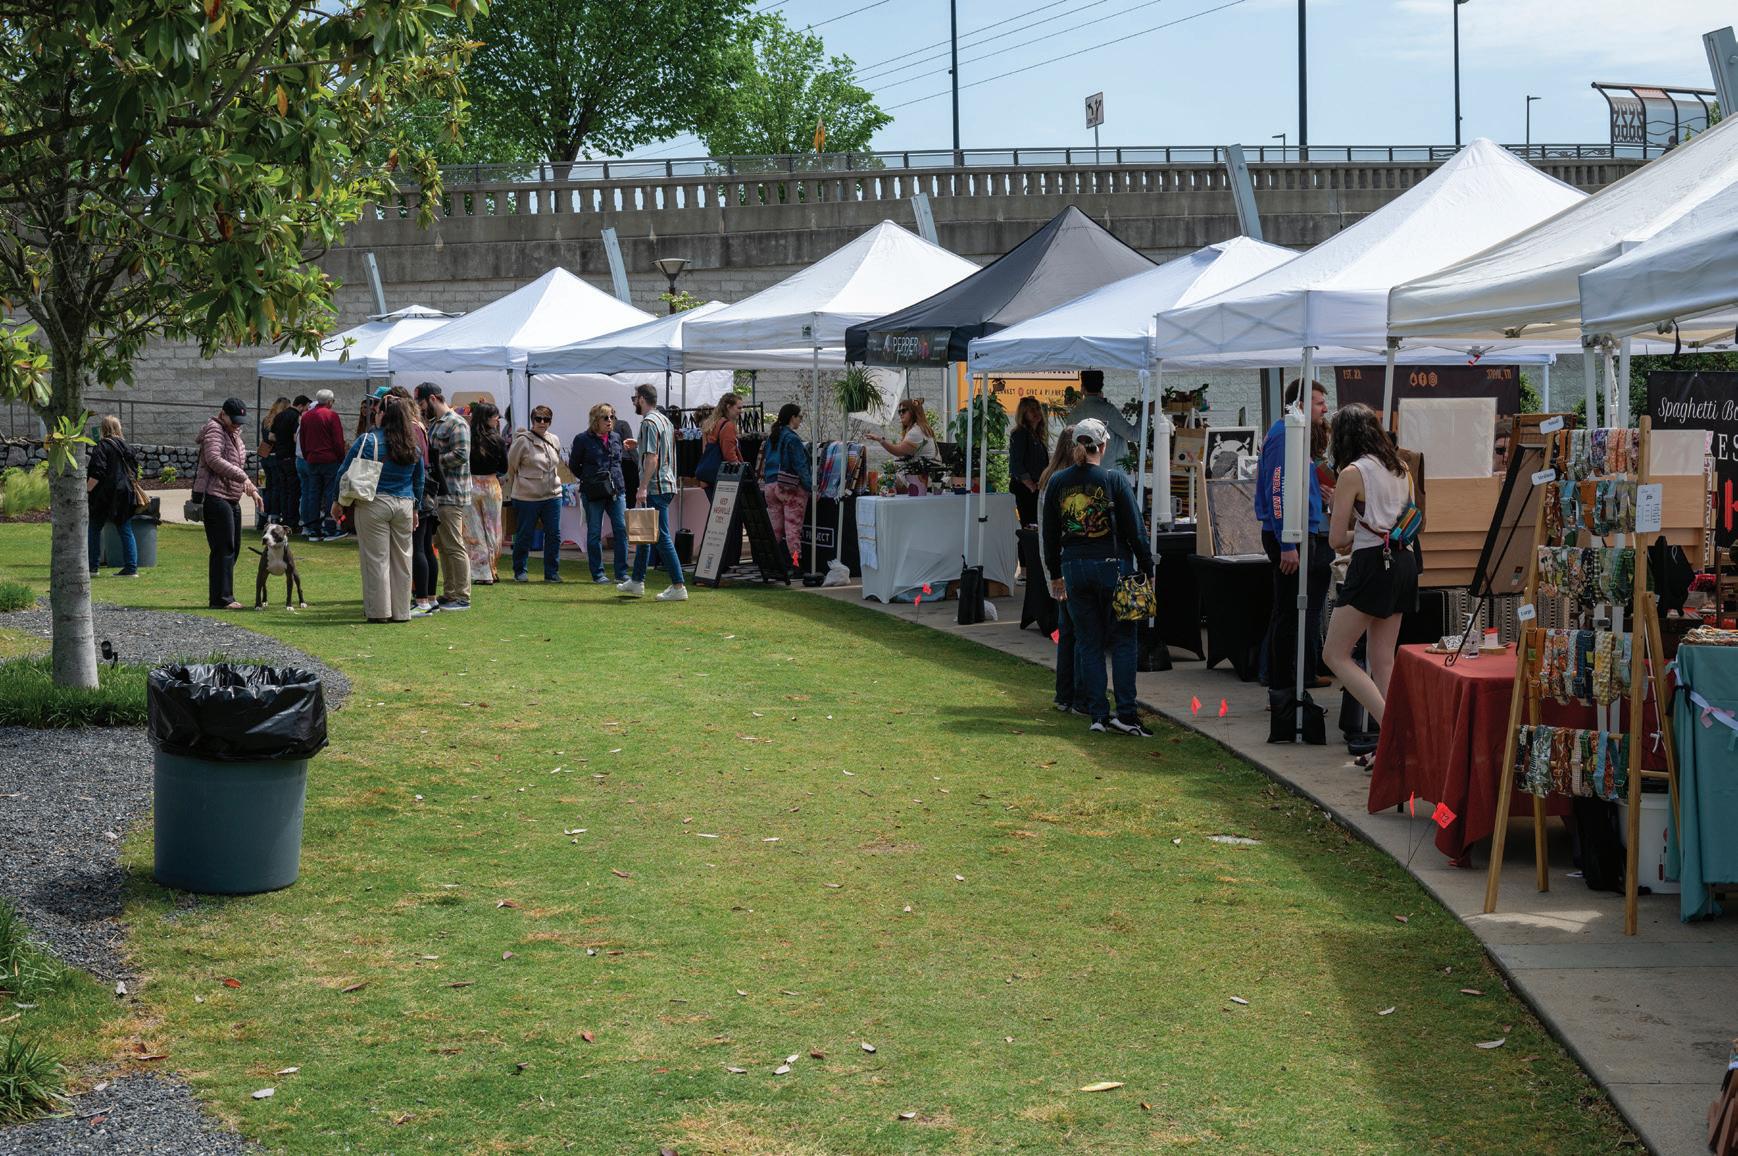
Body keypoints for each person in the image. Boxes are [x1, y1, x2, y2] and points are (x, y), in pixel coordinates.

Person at [1039, 417, 1154, 737]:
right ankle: (1126, 713)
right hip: (1113, 566)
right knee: (1123, 641)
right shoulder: (1114, 479)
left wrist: (1055, 573)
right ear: (1102, 446)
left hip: (1074, 568)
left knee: (1088, 642)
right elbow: (1135, 529)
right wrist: (1148, 568)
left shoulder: (1058, 482)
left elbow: (1050, 533)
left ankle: (1097, 713)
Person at [1322, 403, 1417, 728]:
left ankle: (1390, 730)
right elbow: (1406, 518)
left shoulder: (1352, 473)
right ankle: (1398, 741)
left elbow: (1336, 539)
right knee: (1382, 659)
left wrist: (1356, 530)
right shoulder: (1401, 467)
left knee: (1334, 654)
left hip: (1373, 563)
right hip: (1405, 561)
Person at [1255, 379, 1333, 708]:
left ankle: (1289, 685)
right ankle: (1283, 689)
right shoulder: (1284, 435)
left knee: (1292, 612)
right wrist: (1287, 541)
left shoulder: (1293, 433)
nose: (1325, 409)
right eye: (1318, 402)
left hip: (1300, 531)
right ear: (1300, 405)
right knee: (1288, 613)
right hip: (1291, 535)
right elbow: (1276, 487)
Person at [333, 393, 424, 623]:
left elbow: (344, 470)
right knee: (403, 560)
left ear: (382, 414)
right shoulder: (412, 443)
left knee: (376, 559)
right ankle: (401, 612)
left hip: (374, 501)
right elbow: (419, 479)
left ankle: (379, 612)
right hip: (404, 503)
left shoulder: (368, 440)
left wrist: (337, 501)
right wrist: (416, 508)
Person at [619, 383, 688, 601]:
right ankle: (637, 581)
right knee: (645, 533)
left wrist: (642, 487)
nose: (634, 402)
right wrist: (639, 444)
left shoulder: (649, 422)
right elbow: (657, 451)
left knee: (660, 536)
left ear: (641, 398)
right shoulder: (664, 420)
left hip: (656, 486)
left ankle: (678, 585)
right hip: (666, 483)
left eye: (634, 398)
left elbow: (652, 458)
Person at [194, 397, 261, 610]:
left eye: (240, 422)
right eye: (234, 421)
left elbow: (235, 464)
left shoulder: (233, 433)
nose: (237, 425)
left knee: (233, 547)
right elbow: (214, 459)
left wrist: (249, 487)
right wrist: (244, 478)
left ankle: (224, 594)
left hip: (231, 497)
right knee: (224, 547)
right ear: (223, 414)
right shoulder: (215, 430)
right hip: (216, 496)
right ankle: (222, 599)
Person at [416, 383, 472, 611]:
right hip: (439, 494)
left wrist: (432, 462)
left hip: (452, 493)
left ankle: (462, 596)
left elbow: (461, 454)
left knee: (454, 545)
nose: (420, 408)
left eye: (421, 403)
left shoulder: (456, 423)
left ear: (432, 398)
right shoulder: (435, 423)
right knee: (444, 545)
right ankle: (450, 593)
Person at [1035, 425, 1079, 713]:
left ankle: (1064, 694)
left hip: (1055, 564)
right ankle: (1071, 693)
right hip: (1065, 563)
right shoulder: (1063, 482)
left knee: (1068, 631)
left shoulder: (1049, 477)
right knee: (1075, 632)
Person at [569, 403, 629, 584]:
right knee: (595, 532)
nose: (610, 421)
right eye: (605, 417)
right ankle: (598, 574)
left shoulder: (616, 437)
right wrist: (590, 479)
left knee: (621, 530)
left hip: (616, 490)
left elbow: (618, 462)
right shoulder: (582, 439)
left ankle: (621, 573)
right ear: (596, 420)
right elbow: (574, 465)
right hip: (593, 492)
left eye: (612, 417)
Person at [508, 404, 565, 583]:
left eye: (546, 419)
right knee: (525, 534)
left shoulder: (554, 439)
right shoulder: (522, 440)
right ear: (532, 420)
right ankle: (520, 570)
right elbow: (511, 466)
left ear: (550, 421)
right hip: (527, 496)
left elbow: (556, 464)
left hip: (553, 494)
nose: (542, 422)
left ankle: (552, 573)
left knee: (554, 535)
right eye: (538, 419)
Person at [85, 414, 140, 578]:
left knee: (95, 528)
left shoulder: (102, 446)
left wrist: (86, 491)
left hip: (104, 494)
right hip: (125, 492)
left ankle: (92, 567)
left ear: (103, 429)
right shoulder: (126, 447)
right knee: (125, 530)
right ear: (118, 428)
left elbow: (97, 472)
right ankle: (131, 568)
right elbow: (134, 471)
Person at [759, 402, 811, 567]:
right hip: (789, 487)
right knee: (792, 529)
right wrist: (811, 487)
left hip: (770, 486)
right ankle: (795, 564)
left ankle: (771, 563)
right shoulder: (792, 439)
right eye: (800, 417)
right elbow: (800, 466)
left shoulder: (772, 437)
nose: (800, 420)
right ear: (792, 418)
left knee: (774, 529)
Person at [1065, 370, 1138, 475]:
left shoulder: (1074, 413)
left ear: (1082, 388)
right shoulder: (1108, 410)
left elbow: (1067, 446)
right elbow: (1133, 435)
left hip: (1081, 475)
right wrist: (1146, 413)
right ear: (1101, 387)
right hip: (1109, 475)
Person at [298, 388, 348, 541]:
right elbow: (338, 441)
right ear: (329, 401)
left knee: (313, 494)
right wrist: (341, 458)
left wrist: (308, 456)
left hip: (312, 459)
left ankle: (314, 529)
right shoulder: (332, 415)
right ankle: (330, 528)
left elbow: (302, 440)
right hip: (329, 460)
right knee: (330, 494)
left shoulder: (306, 417)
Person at [465, 401, 506, 585]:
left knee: (474, 529)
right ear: (488, 418)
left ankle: (480, 572)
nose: (497, 420)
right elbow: (504, 467)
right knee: (493, 528)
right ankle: (492, 569)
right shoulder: (498, 440)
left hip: (470, 484)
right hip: (491, 485)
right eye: (495, 417)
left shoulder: (468, 438)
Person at [868, 398, 939, 482]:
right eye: (899, 412)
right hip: (923, 477)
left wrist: (880, 440)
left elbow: (898, 451)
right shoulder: (920, 429)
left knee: (874, 481)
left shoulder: (915, 432)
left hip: (920, 480)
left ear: (913, 412)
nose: (901, 414)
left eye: (904, 411)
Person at [1008, 396, 1049, 527]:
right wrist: (1030, 484)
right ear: (1024, 414)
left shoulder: (1036, 435)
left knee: (1036, 525)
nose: (1036, 412)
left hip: (1035, 487)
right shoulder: (1020, 433)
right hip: (1025, 488)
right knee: (1029, 526)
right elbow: (1016, 463)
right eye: (1031, 410)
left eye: (1037, 409)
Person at [695, 393, 745, 497]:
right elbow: (729, 454)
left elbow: (705, 450)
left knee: (716, 506)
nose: (741, 411)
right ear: (728, 407)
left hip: (709, 476)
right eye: (739, 408)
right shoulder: (728, 426)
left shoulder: (711, 423)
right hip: (723, 478)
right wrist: (739, 470)